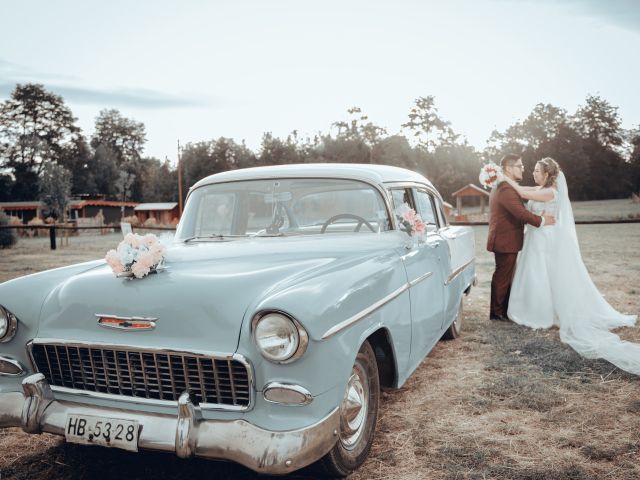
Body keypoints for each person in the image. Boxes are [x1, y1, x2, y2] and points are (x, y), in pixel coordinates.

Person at [501, 157, 640, 374]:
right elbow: (526, 188)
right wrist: (503, 179)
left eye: (537, 171)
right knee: (535, 274)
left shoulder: (551, 192)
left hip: (545, 239)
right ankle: (533, 309)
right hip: (537, 237)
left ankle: (541, 314)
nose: (534, 173)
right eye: (534, 170)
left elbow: (523, 193)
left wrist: (500, 177)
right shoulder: (541, 187)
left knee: (541, 275)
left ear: (548, 174)